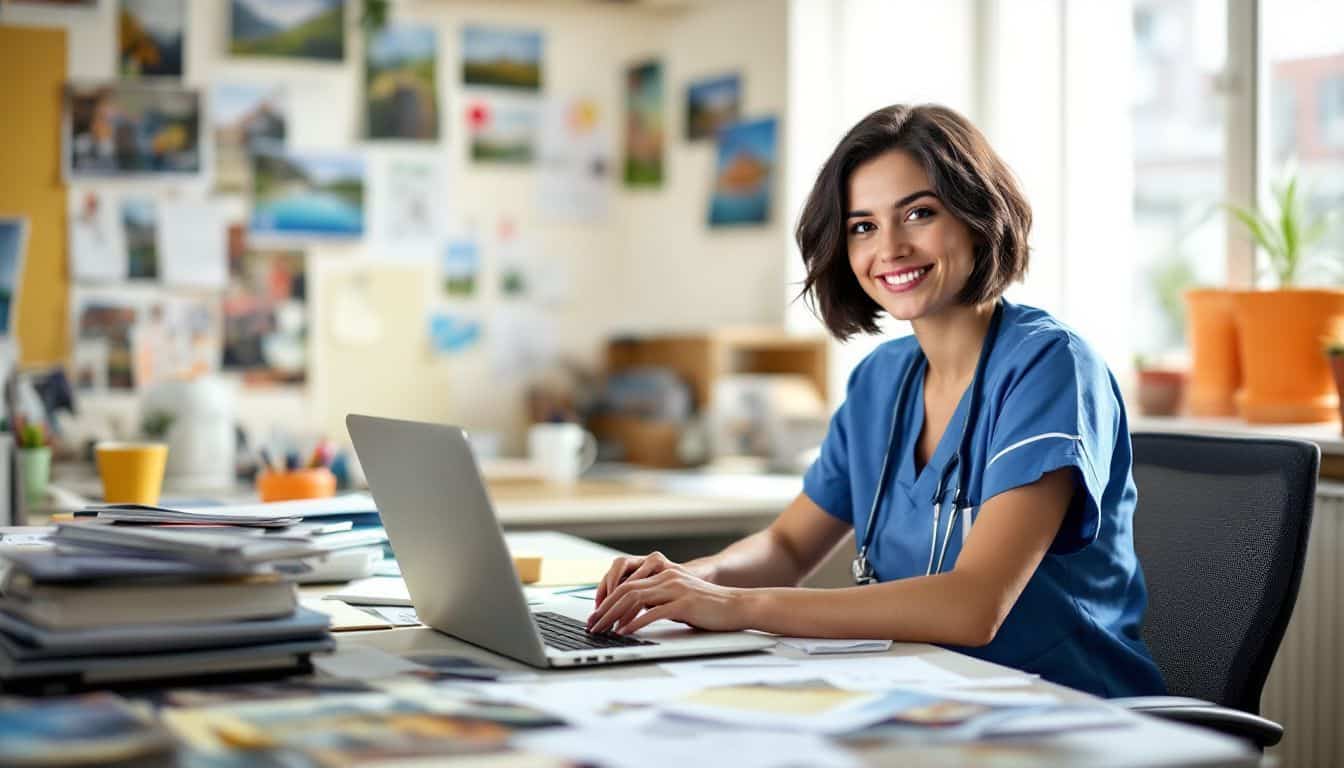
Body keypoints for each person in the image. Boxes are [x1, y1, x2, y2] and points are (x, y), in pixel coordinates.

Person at [586, 103, 1166, 698]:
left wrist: (736, 605)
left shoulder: (1049, 367)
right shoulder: (879, 381)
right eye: (863, 225)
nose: (889, 248)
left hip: (1064, 710)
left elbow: (974, 605)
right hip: (923, 698)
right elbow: (786, 546)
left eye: (918, 214)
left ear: (978, 215)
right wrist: (683, 581)